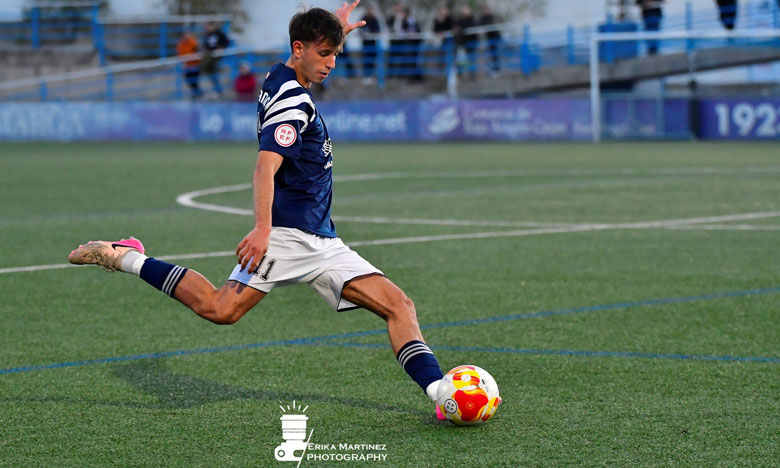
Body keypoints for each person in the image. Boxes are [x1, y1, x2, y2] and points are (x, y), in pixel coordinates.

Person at [67, 1, 448, 419]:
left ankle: (440, 393)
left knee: (399, 306)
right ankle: (126, 257)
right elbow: (265, 167)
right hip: (287, 236)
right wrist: (263, 229)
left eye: (336, 54)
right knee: (220, 309)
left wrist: (334, 31)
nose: (332, 64)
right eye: (324, 54)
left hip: (323, 240)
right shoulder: (292, 103)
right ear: (299, 48)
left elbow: (304, 53)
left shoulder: (279, 74)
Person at [202, 21, 231, 96]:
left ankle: (218, 89)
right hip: (210, 55)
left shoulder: (220, 34)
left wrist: (221, 48)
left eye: (209, 26)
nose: (208, 28)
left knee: (209, 65)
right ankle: (214, 86)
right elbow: (206, 45)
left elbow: (226, 42)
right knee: (207, 67)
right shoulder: (207, 35)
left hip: (217, 55)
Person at [176, 31, 202, 99]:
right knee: (189, 80)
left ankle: (197, 93)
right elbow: (180, 54)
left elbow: (198, 51)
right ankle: (194, 93)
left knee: (194, 80)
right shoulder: (181, 44)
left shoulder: (193, 42)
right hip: (187, 66)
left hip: (195, 64)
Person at [360, 6, 381, 82]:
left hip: (373, 43)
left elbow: (378, 30)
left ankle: (372, 75)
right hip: (366, 44)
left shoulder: (374, 19)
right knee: (366, 60)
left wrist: (371, 33)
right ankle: (366, 76)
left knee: (372, 60)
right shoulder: (363, 18)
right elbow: (359, 29)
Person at [480, 5, 501, 72]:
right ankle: (490, 69)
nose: (487, 11)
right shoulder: (483, 18)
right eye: (486, 10)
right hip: (488, 39)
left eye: (488, 10)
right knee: (488, 55)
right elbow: (482, 25)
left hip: (494, 38)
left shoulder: (493, 17)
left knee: (494, 54)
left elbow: (495, 26)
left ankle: (496, 69)